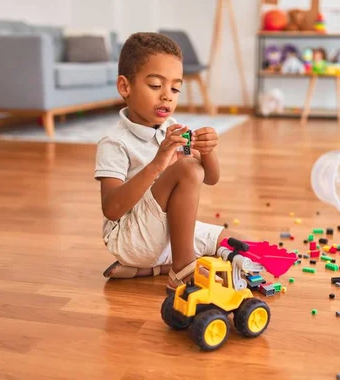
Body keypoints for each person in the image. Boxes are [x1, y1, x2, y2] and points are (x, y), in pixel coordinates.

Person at [94, 32, 239, 293]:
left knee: (234, 244)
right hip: (130, 238)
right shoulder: (114, 142)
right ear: (125, 87)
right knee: (184, 168)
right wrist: (158, 164)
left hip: (162, 233)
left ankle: (155, 269)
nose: (167, 96)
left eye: (174, 89)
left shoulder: (171, 128)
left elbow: (210, 178)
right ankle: (182, 270)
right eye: (155, 85)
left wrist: (208, 152)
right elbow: (112, 209)